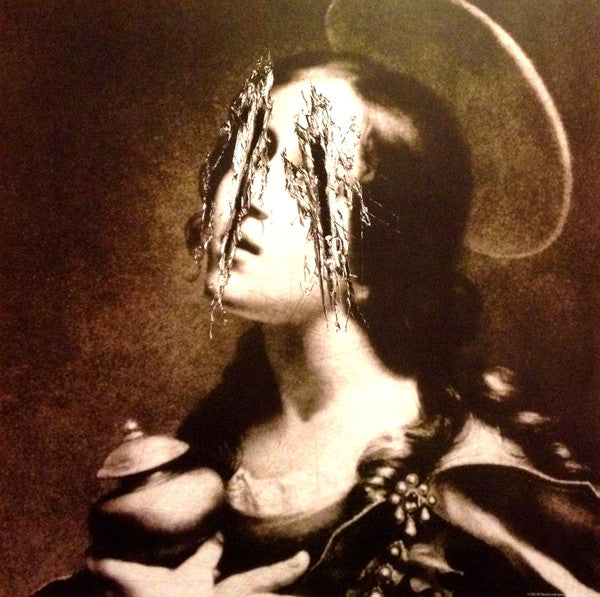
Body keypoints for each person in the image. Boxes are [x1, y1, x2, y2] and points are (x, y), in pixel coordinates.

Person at [35, 2, 600, 595]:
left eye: (308, 175)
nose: (250, 194)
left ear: (384, 242)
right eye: (248, 154)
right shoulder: (208, 449)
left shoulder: (480, 491)